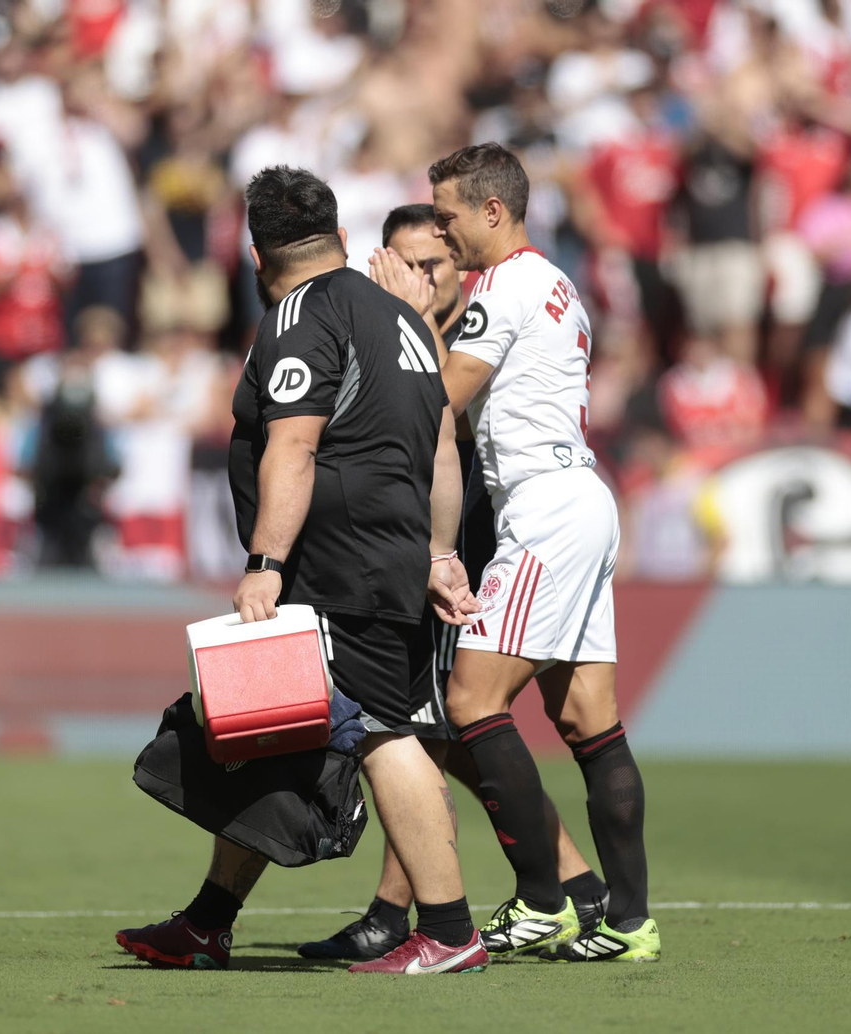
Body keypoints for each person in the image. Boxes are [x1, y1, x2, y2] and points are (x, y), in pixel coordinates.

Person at [116, 167, 488, 976]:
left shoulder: (299, 315)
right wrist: (435, 551)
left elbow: (294, 444)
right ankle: (209, 921)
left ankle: (451, 931)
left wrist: (265, 562)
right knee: (271, 731)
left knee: (383, 732)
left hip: (335, 560)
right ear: (344, 238)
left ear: (255, 255)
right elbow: (437, 447)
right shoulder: (399, 316)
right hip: (387, 553)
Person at [297, 203, 610, 961]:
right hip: (426, 539)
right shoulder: (390, 325)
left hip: (475, 536)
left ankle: (405, 911)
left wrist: (411, 321)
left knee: (434, 723)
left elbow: (441, 412)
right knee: (444, 728)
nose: (419, 279)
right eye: (402, 265)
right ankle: (574, 884)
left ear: (458, 265)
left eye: (431, 264)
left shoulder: (474, 322)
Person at [373, 142, 657, 963]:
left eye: (449, 216)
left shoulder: (503, 285)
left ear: (492, 211)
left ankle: (543, 900)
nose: (442, 231)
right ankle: (629, 921)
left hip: (543, 510)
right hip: (580, 495)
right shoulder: (557, 283)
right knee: (586, 718)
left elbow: (438, 399)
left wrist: (405, 315)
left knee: (468, 702)